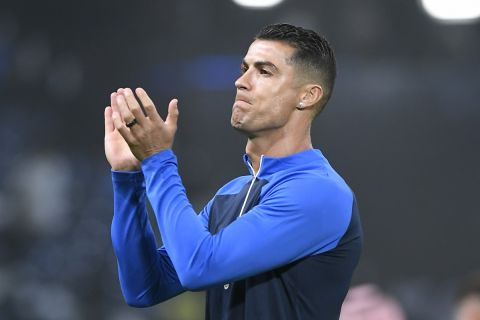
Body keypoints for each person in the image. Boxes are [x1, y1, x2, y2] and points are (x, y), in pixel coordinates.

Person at [104, 23, 363, 320]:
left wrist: (158, 159)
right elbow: (145, 287)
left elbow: (198, 267)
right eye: (244, 68)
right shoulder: (231, 194)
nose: (241, 81)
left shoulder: (319, 192)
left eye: (264, 71)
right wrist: (128, 178)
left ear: (307, 96)